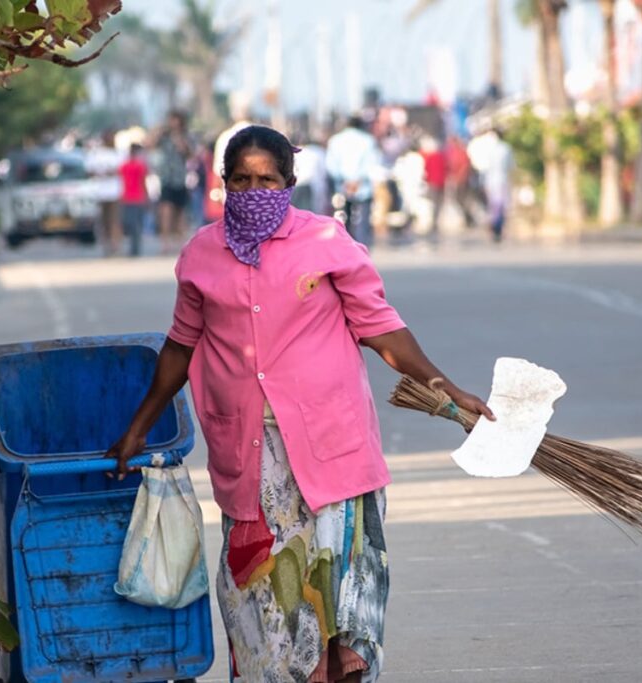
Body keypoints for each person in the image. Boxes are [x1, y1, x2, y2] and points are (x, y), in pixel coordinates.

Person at [106, 125, 494, 683]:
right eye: (241, 180)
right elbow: (179, 347)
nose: (254, 190)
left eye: (267, 179)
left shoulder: (327, 243)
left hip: (333, 452)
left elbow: (381, 331)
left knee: (339, 607)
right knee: (260, 598)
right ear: (223, 183)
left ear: (290, 182)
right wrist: (139, 426)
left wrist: (444, 387)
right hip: (251, 454)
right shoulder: (200, 255)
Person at [326, 115, 381, 247]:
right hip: (363, 186)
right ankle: (362, 250)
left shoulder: (335, 140)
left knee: (342, 221)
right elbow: (372, 163)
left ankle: (345, 249)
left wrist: (345, 181)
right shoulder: (368, 140)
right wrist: (357, 181)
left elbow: (331, 165)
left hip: (342, 186)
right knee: (363, 222)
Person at [150, 111, 193, 253]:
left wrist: (179, 139)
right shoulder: (164, 137)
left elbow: (189, 153)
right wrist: (158, 131)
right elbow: (150, 144)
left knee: (180, 212)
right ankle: (165, 243)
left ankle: (182, 243)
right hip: (166, 178)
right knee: (166, 211)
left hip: (180, 178)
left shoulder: (186, 136)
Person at [119, 143, 149, 257]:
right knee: (136, 224)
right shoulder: (140, 166)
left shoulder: (124, 166)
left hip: (128, 198)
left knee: (131, 224)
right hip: (137, 198)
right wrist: (146, 197)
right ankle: (135, 248)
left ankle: (134, 248)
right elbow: (143, 182)